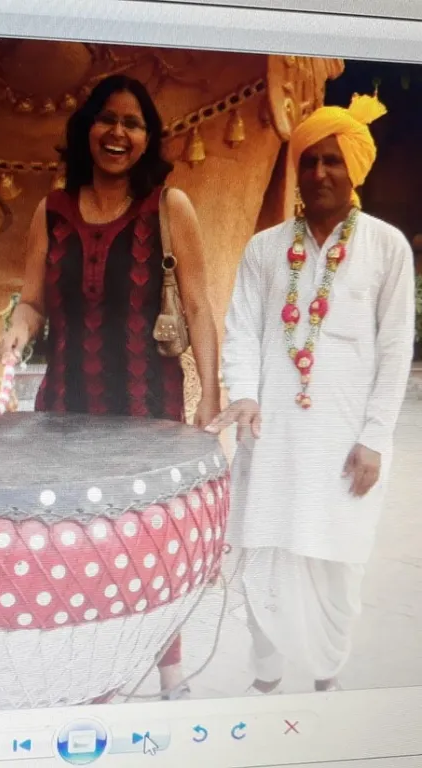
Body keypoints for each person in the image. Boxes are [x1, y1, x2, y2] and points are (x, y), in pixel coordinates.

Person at [0, 74, 221, 700]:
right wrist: (15, 332)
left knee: (148, 540)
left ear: (148, 139)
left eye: (133, 123)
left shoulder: (170, 208)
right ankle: (88, 677)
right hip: (65, 406)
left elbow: (200, 307)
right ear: (86, 128)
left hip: (147, 406)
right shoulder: (53, 210)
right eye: (107, 119)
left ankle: (170, 677)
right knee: (72, 539)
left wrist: (211, 397)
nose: (118, 133)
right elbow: (33, 303)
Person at [207, 93, 415, 694]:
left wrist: (375, 438)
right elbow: (241, 326)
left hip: (347, 442)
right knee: (265, 558)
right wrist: (243, 394)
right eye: (308, 160)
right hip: (271, 438)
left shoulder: (387, 247)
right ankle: (266, 679)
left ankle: (328, 680)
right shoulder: (265, 248)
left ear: (355, 169)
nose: (319, 172)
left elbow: (396, 348)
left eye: (332, 160)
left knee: (336, 564)